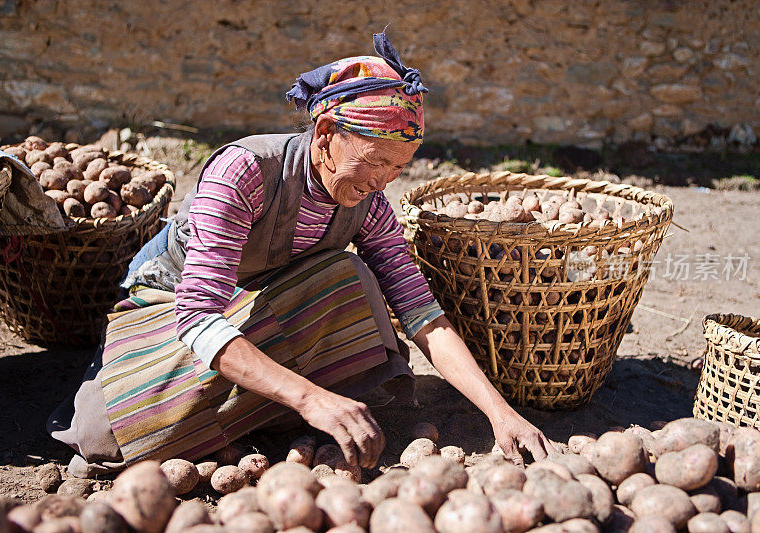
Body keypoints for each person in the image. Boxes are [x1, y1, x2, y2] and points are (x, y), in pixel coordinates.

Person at [48, 32, 554, 477]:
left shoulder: (369, 204)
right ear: (328, 134)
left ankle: (268, 408)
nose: (380, 183)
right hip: (173, 309)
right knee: (104, 436)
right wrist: (310, 398)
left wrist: (499, 412)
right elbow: (198, 315)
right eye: (373, 162)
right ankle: (269, 401)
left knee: (350, 276)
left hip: (265, 309)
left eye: (396, 172)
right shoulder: (244, 172)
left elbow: (422, 315)